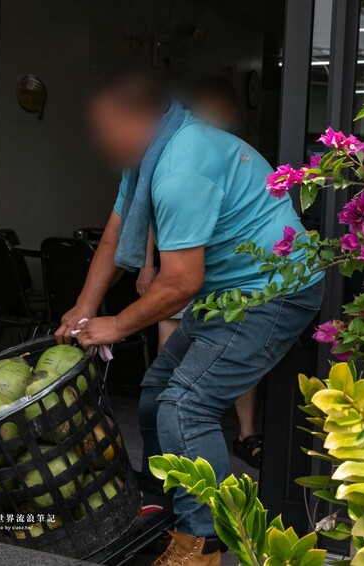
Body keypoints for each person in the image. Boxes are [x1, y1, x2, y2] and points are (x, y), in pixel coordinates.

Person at [56, 65, 323, 565]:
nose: (100, 140)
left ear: (138, 117)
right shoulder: (148, 157)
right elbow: (114, 236)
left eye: (105, 126)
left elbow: (180, 282)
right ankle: (165, 509)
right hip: (229, 292)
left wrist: (115, 324)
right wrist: (86, 305)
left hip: (273, 291)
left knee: (185, 405)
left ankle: (203, 543)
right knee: (157, 397)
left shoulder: (180, 168)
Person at [136, 76, 263, 470]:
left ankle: (246, 433)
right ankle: (164, 456)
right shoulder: (171, 154)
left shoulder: (229, 154)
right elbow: (153, 215)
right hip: (178, 273)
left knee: (231, 360)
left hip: (224, 277)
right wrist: (148, 265)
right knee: (167, 366)